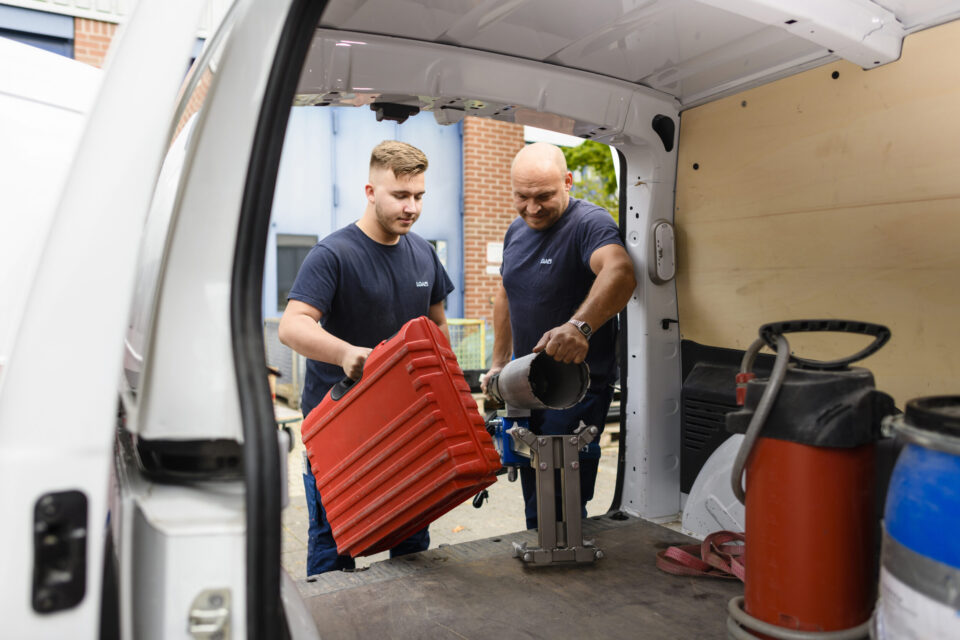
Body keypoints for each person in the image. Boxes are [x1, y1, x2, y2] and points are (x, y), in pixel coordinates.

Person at [279, 140, 454, 576]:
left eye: (418, 197)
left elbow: (438, 327)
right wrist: (346, 353)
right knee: (333, 544)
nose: (411, 207)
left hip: (406, 425)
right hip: (340, 428)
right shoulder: (333, 254)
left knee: (413, 539)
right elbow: (292, 325)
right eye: (400, 195)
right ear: (370, 191)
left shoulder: (424, 253)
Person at [483, 142, 637, 530]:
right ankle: (546, 561)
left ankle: (567, 573)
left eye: (544, 196)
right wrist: (499, 363)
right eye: (522, 196)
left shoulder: (589, 224)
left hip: (574, 390)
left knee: (562, 499)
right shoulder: (515, 231)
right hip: (523, 384)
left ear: (568, 182)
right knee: (535, 495)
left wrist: (578, 326)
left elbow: (619, 272)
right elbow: (505, 292)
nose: (532, 208)